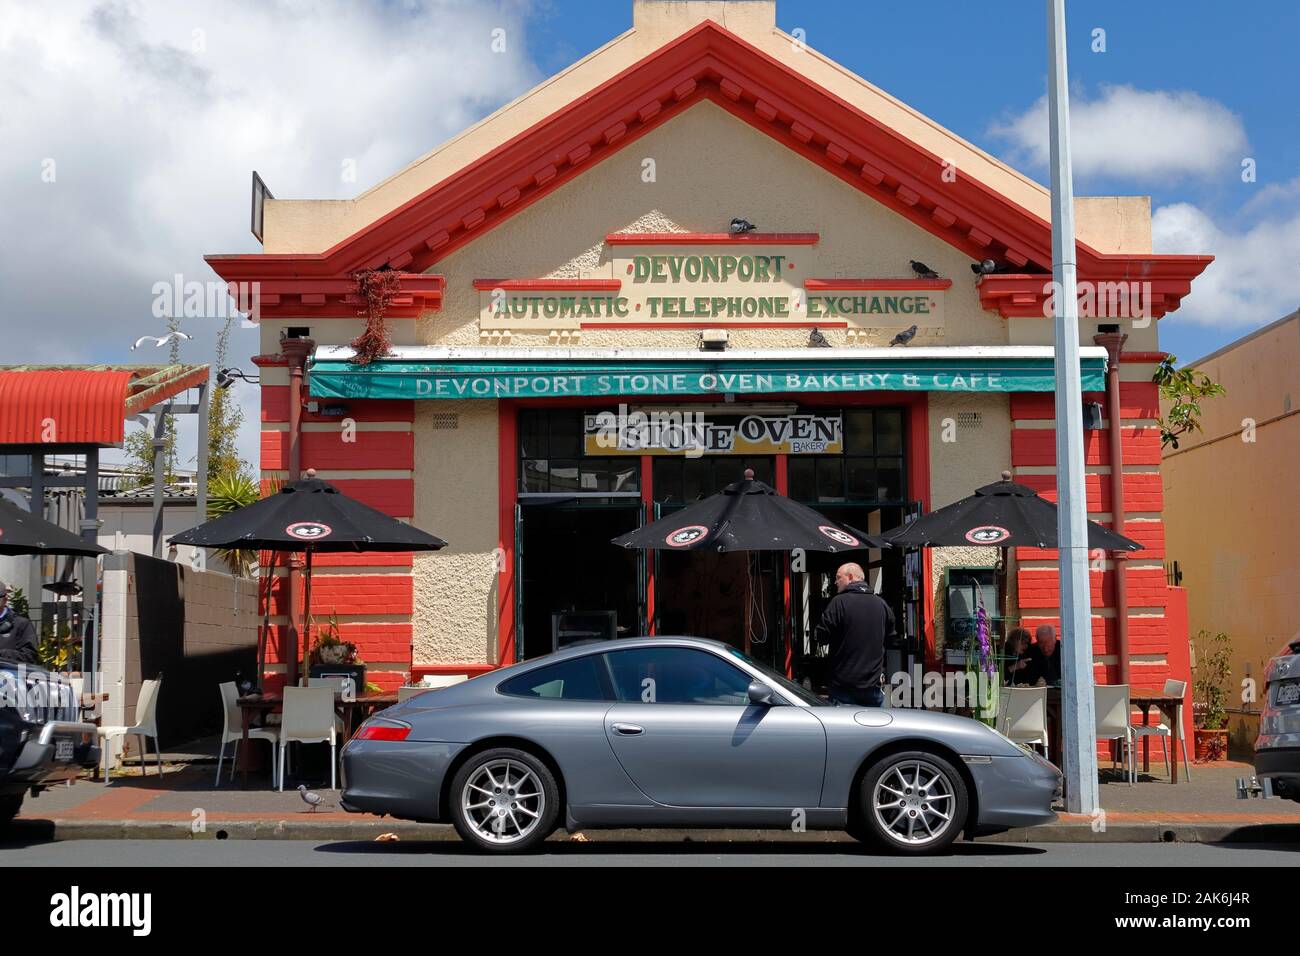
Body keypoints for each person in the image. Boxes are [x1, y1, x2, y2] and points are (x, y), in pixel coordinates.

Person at [813, 563, 895, 707]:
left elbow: (821, 636)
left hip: (844, 688)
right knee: (876, 728)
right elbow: (891, 639)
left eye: (838, 577)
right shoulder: (881, 604)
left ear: (850, 577)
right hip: (873, 687)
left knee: (844, 729)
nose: (835, 582)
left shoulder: (838, 603)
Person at [0, 579, 38, 665]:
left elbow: (30, 655)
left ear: (5, 599)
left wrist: (3, 654)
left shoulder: (21, 624)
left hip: (10, 675)